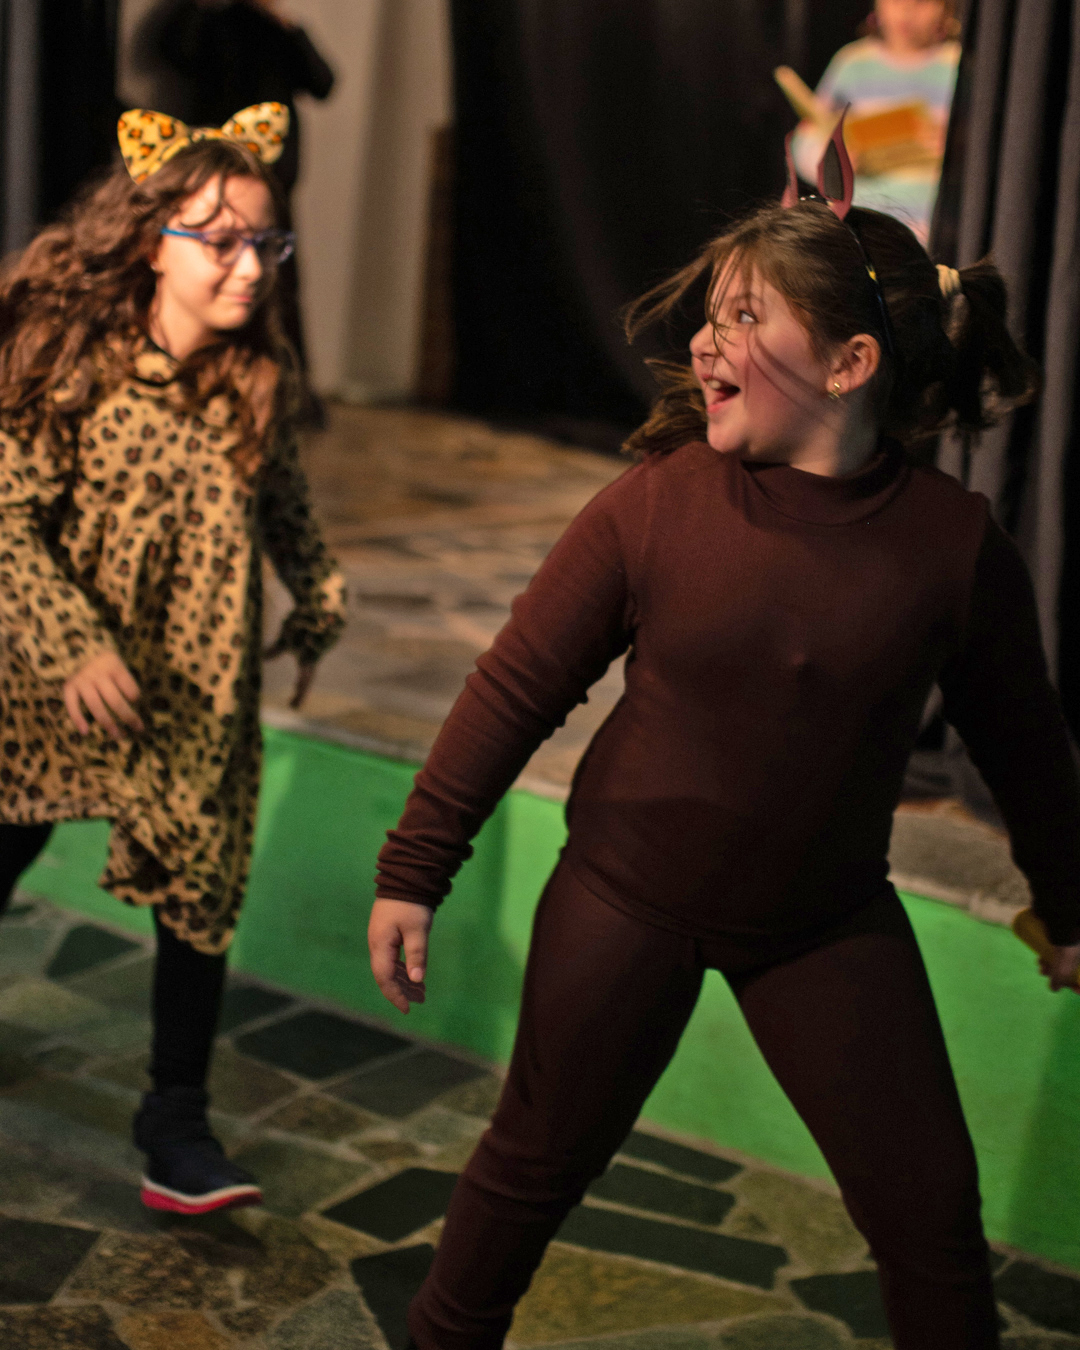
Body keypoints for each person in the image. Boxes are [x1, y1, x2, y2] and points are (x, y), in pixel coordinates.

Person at [367, 125, 1080, 1350]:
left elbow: (1028, 755)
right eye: (711, 314)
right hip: (622, 902)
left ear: (851, 363)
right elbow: (513, 688)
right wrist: (413, 868)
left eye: (745, 318)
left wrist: (1069, 910)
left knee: (932, 1228)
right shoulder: (655, 504)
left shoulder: (953, 551)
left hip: (823, 925)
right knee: (527, 1171)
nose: (704, 342)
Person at [0, 103, 345, 1214]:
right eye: (221, 240)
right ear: (155, 241)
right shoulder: (72, 362)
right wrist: (71, 647)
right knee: (7, 837)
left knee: (200, 881)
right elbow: (6, 520)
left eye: (266, 242)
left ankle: (176, 1122)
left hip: (194, 684)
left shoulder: (255, 378)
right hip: (51, 677)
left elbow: (284, 501)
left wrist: (319, 588)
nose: (250, 266)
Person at [155, 0, 335, 417]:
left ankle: (291, 390)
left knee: (281, 287)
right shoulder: (210, 22)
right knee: (215, 280)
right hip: (213, 183)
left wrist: (285, 20)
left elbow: (323, 82)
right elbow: (174, 53)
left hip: (274, 187)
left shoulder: (276, 30)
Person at [790, 0, 961, 243]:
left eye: (922, 2)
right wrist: (831, 159)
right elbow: (807, 137)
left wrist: (956, 146)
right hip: (861, 221)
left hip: (932, 222)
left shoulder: (956, 64)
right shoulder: (852, 63)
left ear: (947, 8)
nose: (906, 10)